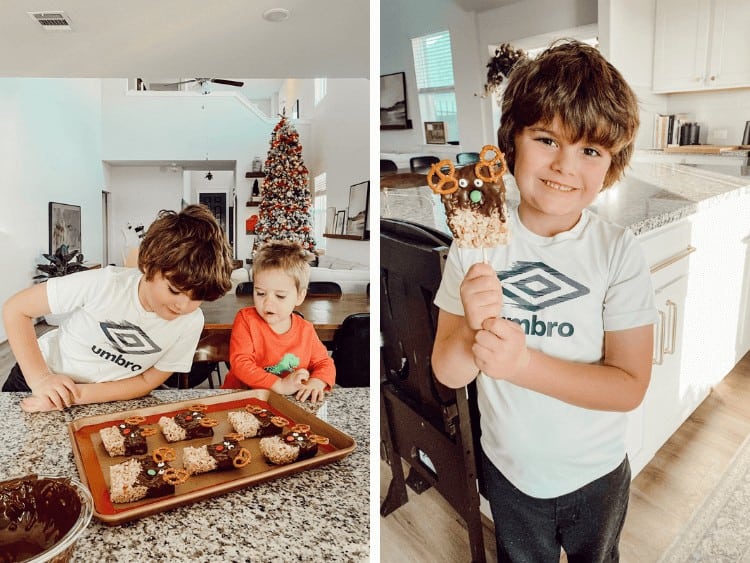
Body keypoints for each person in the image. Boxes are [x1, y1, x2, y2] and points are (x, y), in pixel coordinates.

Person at [431, 40, 657, 561]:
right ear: (511, 139)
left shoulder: (617, 253)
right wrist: (470, 327)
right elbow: (448, 371)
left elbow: (628, 387)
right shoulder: (475, 247)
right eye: (547, 138)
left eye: (590, 150)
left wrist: (521, 363)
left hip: (596, 474)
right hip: (510, 473)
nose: (564, 165)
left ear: (611, 163)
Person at [2, 204, 234, 412]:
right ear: (148, 265)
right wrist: (41, 379)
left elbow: (147, 382)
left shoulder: (191, 321)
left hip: (103, 399)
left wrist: (74, 396)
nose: (183, 306)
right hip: (36, 376)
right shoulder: (104, 283)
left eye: (198, 298)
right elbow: (17, 309)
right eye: (174, 289)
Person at [221, 240, 335, 402]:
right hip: (240, 397)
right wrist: (279, 384)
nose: (268, 303)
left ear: (299, 297)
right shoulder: (246, 319)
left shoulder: (305, 330)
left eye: (280, 296)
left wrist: (317, 381)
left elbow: (325, 363)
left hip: (283, 402)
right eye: (260, 293)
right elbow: (241, 363)